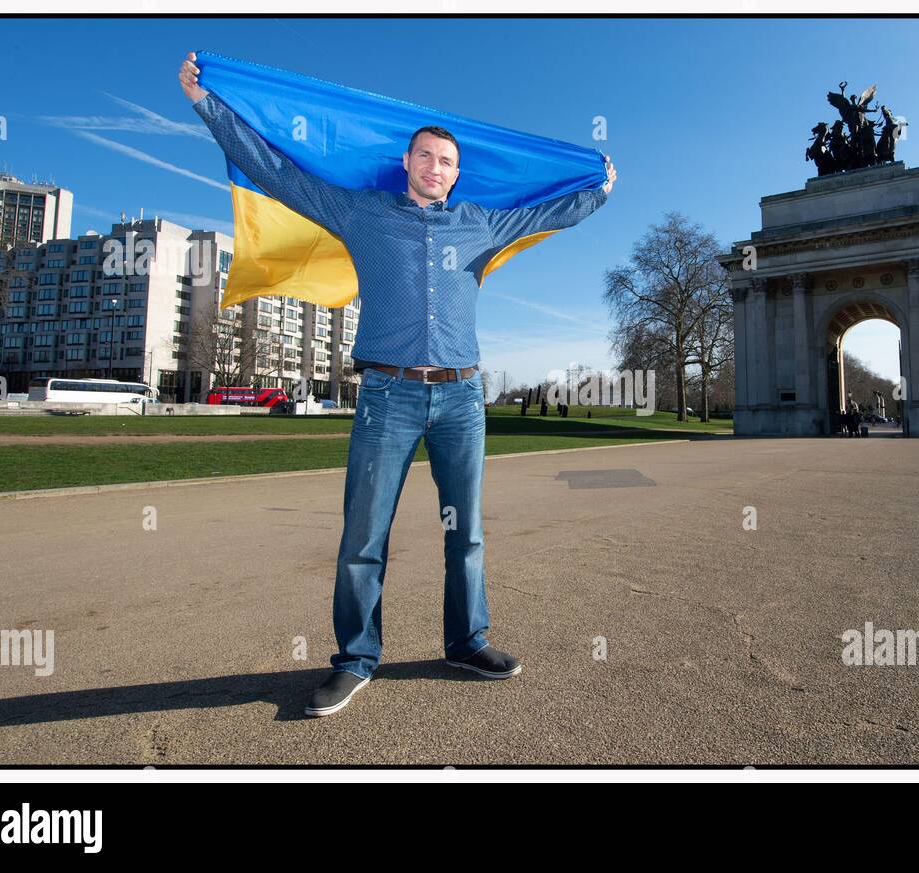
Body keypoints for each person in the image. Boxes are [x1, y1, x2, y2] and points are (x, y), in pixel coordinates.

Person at [180, 53, 616, 717]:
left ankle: (466, 642)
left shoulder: (482, 222)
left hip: (463, 399)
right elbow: (278, 171)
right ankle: (355, 660)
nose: (433, 167)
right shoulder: (362, 214)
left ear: (455, 173)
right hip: (388, 397)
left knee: (465, 530)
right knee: (364, 533)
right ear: (406, 162)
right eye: (424, 156)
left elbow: (553, 213)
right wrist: (208, 105)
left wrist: (600, 187)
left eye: (444, 160)